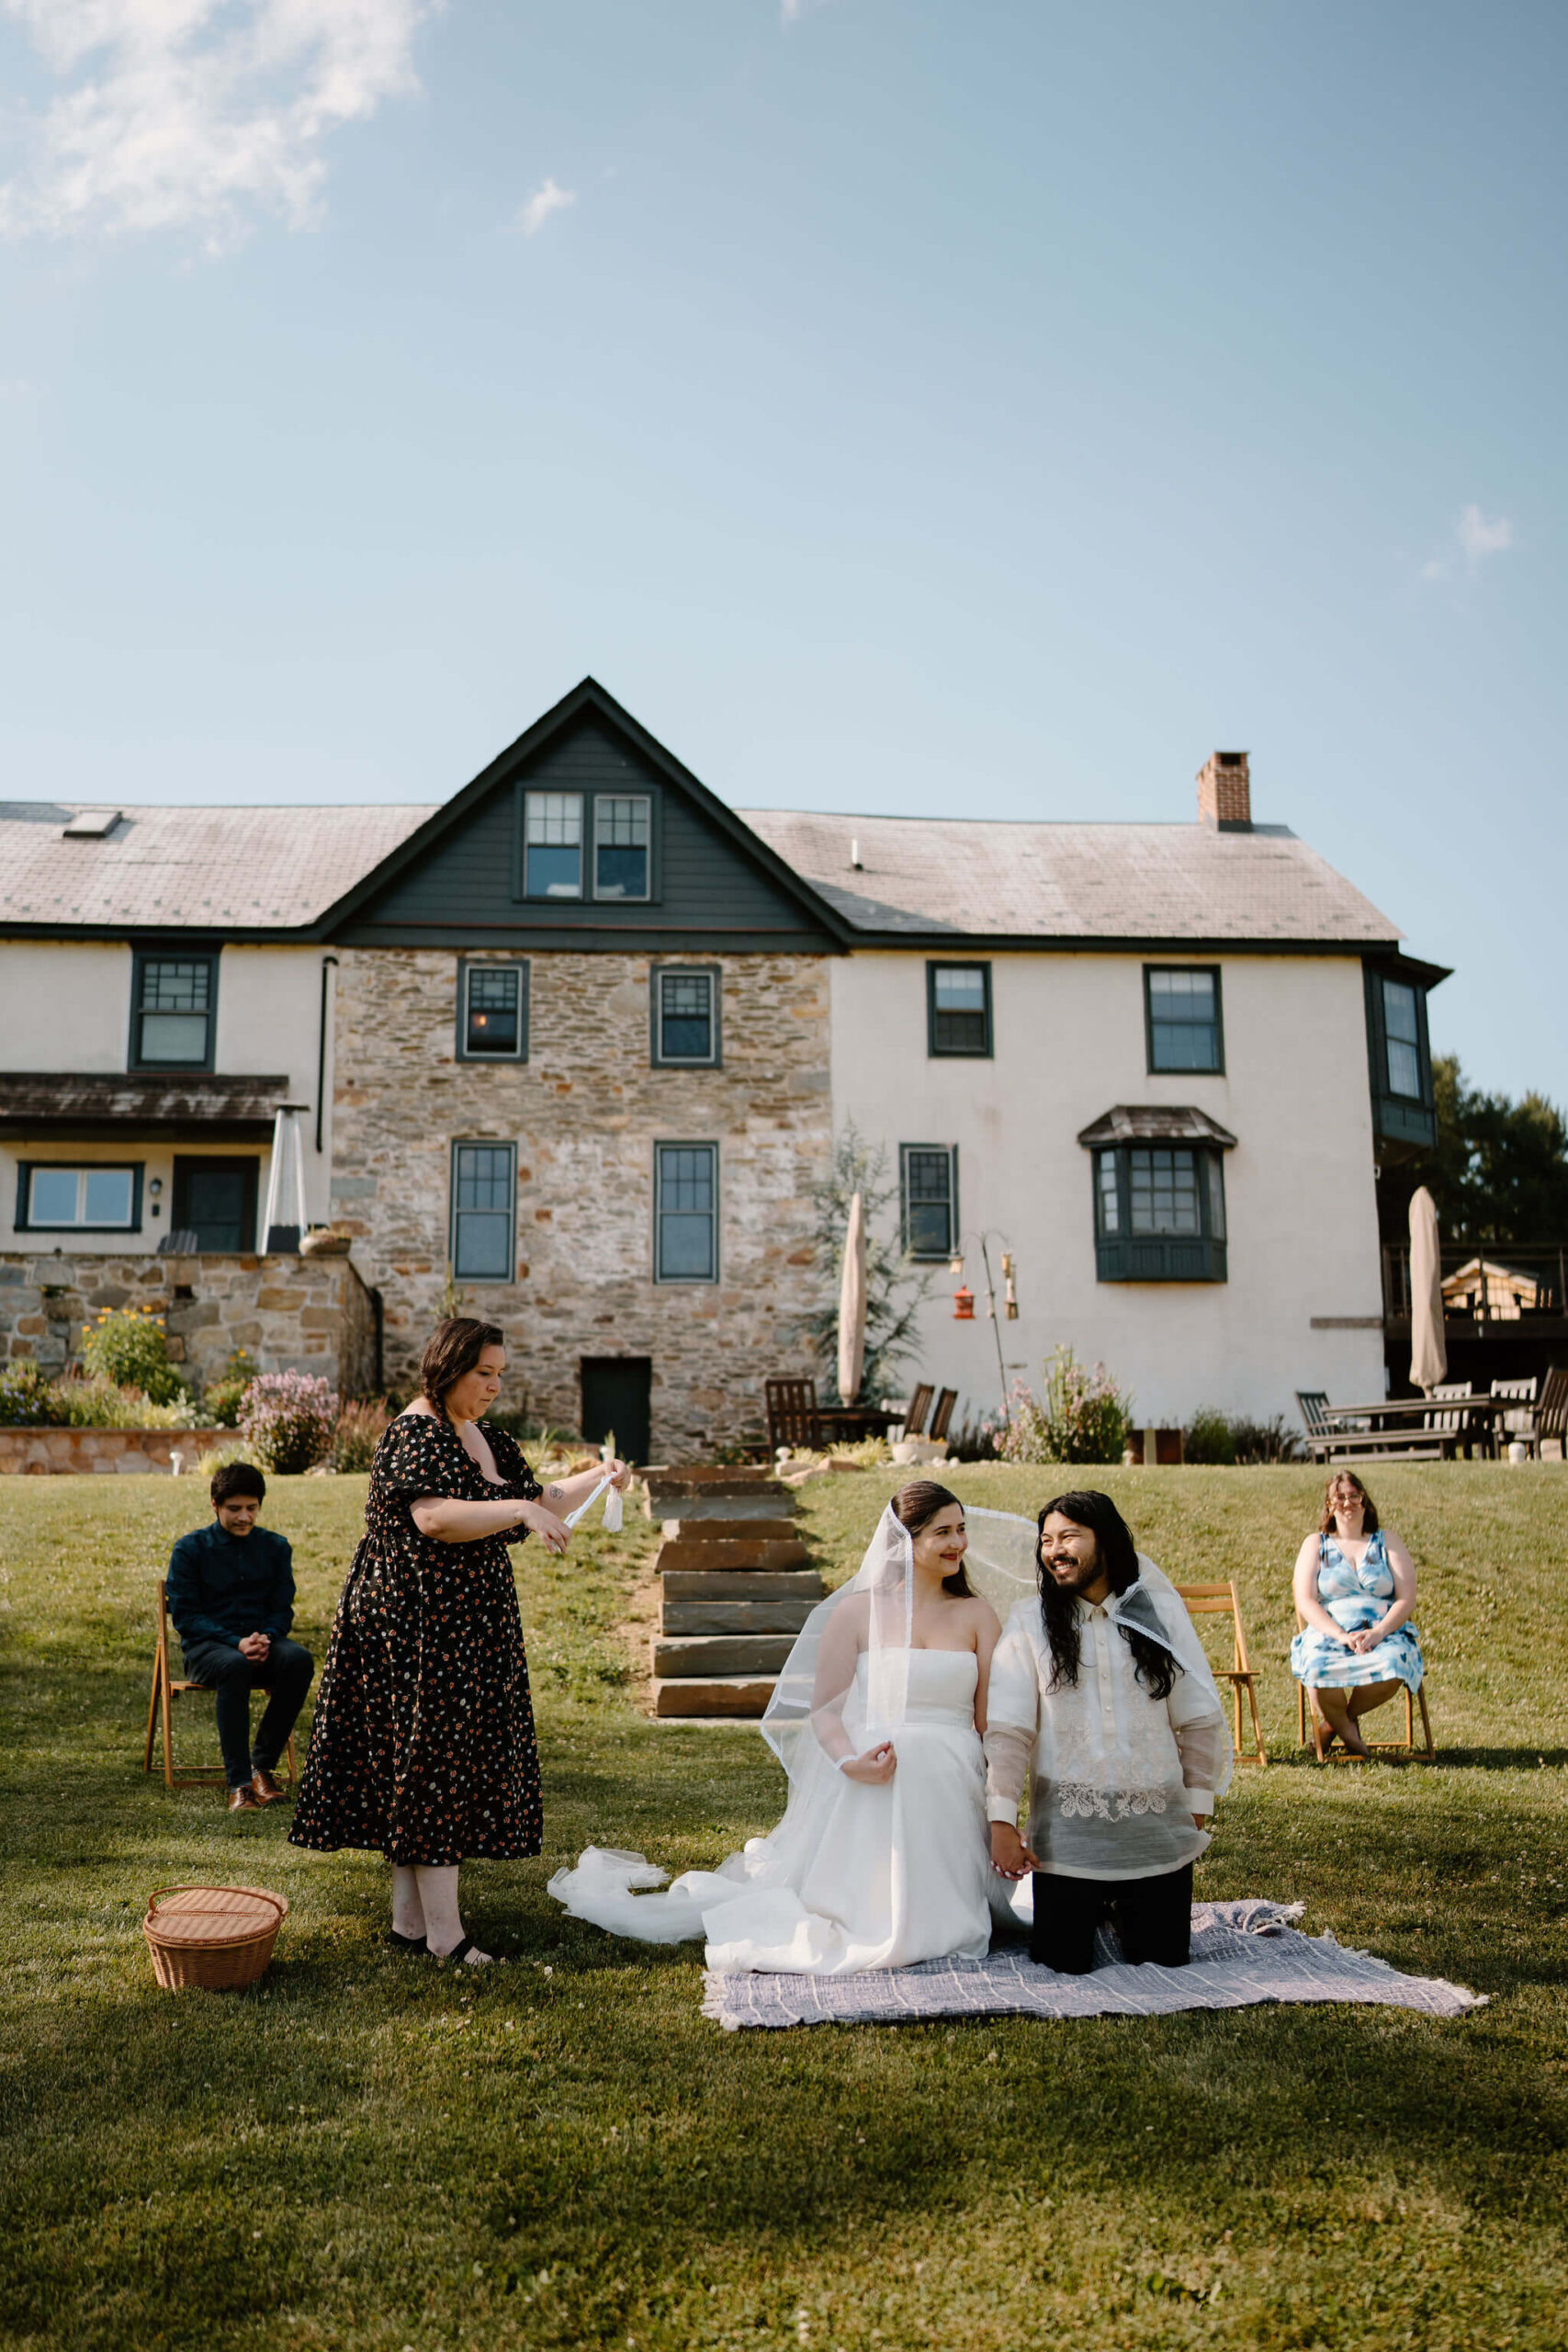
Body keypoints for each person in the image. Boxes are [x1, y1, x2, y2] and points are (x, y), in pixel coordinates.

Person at [548, 1482, 1004, 1973]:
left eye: (961, 1530)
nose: (958, 1542)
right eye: (943, 1532)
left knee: (953, 1918)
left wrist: (998, 1806)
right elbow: (826, 1710)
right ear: (905, 1541)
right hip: (874, 1781)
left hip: (951, 1784)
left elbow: (990, 1722)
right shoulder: (856, 1612)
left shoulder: (977, 1615)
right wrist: (851, 1762)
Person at [288, 1317, 629, 1966]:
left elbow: (537, 1496)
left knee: (432, 1764)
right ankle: (446, 1939)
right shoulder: (413, 1433)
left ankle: (410, 1926)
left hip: (465, 1624)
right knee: (428, 1765)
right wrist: (520, 1513)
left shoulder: (479, 1434)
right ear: (446, 1368)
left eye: (501, 1373)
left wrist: (597, 1475)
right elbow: (435, 1517)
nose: (496, 1386)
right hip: (413, 1623)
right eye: (485, 1373)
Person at [984, 1490, 1233, 1974]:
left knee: (1166, 1962)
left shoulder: (1157, 1614)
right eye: (1047, 1540)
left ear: (1107, 1542)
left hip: (1157, 1837)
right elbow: (1009, 1732)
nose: (1054, 1550)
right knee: (1062, 1964)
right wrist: (1001, 1821)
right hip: (1068, 1842)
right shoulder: (1028, 1622)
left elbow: (1198, 1715)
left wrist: (1197, 1807)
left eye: (1069, 1537)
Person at [165, 1462, 314, 1813]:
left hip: (262, 1645)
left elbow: (282, 1609)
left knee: (299, 1659)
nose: (244, 1517)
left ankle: (261, 1767)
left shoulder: (276, 1547)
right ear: (215, 1506)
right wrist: (236, 1642)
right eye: (234, 1509)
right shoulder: (189, 1549)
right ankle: (240, 1784)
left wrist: (267, 1637)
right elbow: (187, 1617)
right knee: (234, 1665)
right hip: (210, 1653)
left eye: (251, 1508)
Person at [1291, 1470, 1423, 1758]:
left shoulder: (1387, 1541)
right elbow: (1305, 1600)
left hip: (1384, 1632)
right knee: (1316, 1666)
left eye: (1354, 1496)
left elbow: (1407, 1597)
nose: (1347, 1503)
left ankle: (1332, 1726)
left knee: (1394, 1662)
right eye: (1339, 1497)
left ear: (1364, 1501)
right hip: (1330, 1632)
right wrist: (1339, 1635)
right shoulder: (1316, 1544)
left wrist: (1378, 1633)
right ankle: (1353, 1738)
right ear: (1328, 1505)